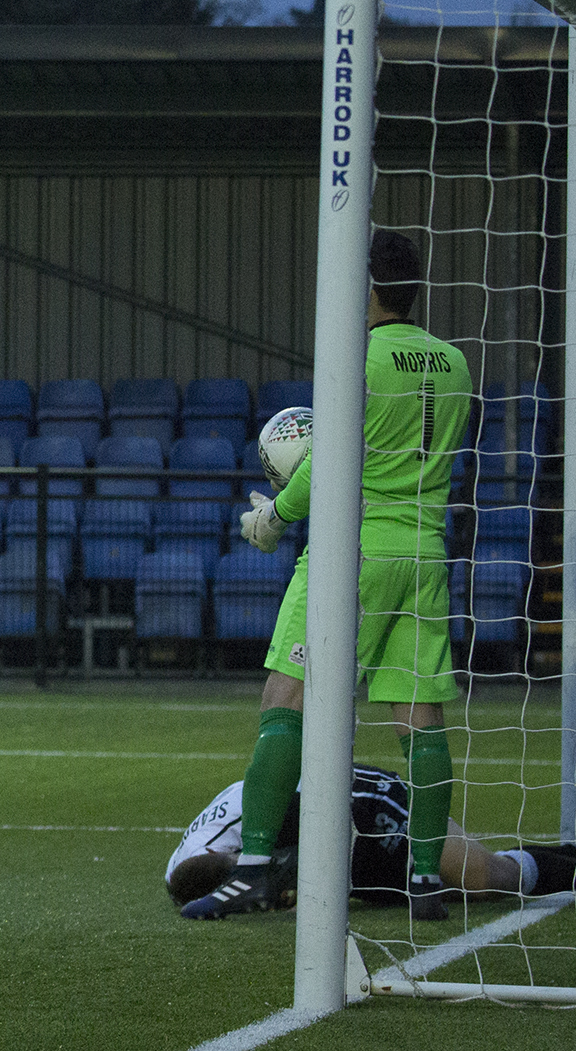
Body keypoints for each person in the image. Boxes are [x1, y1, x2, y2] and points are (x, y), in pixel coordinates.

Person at [188, 229, 474, 921]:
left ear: (367, 286)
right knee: (421, 719)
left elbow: (330, 456)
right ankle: (427, 879)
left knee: (284, 700)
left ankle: (254, 866)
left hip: (354, 551)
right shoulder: (457, 363)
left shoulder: (360, 355)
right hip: (425, 556)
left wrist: (274, 517)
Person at [166, 764, 576, 909]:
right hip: (334, 848)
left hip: (353, 801)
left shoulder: (198, 862)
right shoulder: (185, 873)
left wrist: (268, 880)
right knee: (457, 894)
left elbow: (300, 807)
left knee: (483, 878)